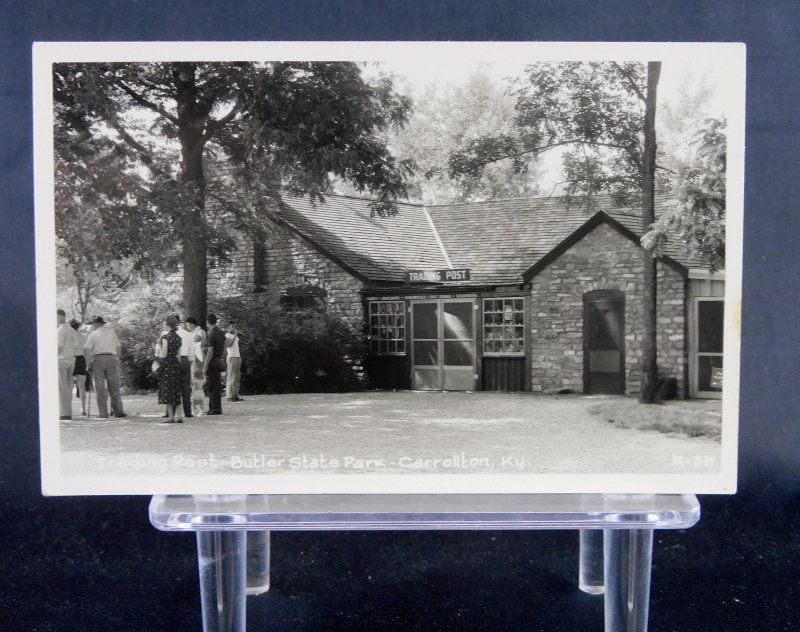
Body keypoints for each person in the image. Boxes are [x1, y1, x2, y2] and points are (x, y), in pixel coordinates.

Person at [84, 316, 126, 419]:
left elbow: (87, 348)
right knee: (114, 385)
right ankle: (118, 412)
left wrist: (88, 363)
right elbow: (119, 346)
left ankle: (103, 413)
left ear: (96, 324)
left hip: (98, 359)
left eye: (92, 324)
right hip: (111, 358)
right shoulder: (111, 333)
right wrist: (117, 358)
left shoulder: (93, 334)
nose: (92, 326)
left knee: (100, 387)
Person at [156, 315, 183, 423]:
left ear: (167, 324)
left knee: (168, 390)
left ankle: (171, 417)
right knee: (176, 391)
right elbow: (179, 356)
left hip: (167, 366)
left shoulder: (165, 338)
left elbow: (164, 354)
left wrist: (159, 345)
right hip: (176, 365)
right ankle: (180, 416)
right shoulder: (178, 338)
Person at [57, 309, 79, 420]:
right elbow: (76, 346)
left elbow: (59, 347)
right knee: (68, 387)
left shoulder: (60, 330)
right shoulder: (72, 330)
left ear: (59, 316)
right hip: (71, 361)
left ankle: (64, 413)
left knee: (61, 388)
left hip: (61, 361)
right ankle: (68, 411)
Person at [203, 313, 226, 415]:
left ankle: (215, 408)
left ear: (208, 322)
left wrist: (205, 365)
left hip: (212, 360)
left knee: (213, 385)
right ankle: (215, 407)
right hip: (219, 359)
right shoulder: (221, 332)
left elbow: (210, 350)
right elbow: (225, 345)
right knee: (216, 384)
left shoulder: (211, 334)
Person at [70, 319, 90, 416]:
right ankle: (83, 408)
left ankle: (68, 408)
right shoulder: (83, 337)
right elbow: (86, 351)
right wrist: (87, 363)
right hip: (81, 359)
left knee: (68, 385)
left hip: (71, 359)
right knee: (82, 386)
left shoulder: (69, 335)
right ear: (78, 326)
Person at [225, 320, 244, 402]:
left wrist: (237, 335)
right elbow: (229, 345)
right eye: (232, 326)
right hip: (231, 357)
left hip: (237, 356)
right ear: (228, 327)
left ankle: (235, 395)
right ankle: (229, 396)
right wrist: (235, 335)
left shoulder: (235, 336)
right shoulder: (227, 335)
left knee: (237, 376)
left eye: (234, 326)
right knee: (230, 376)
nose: (234, 328)